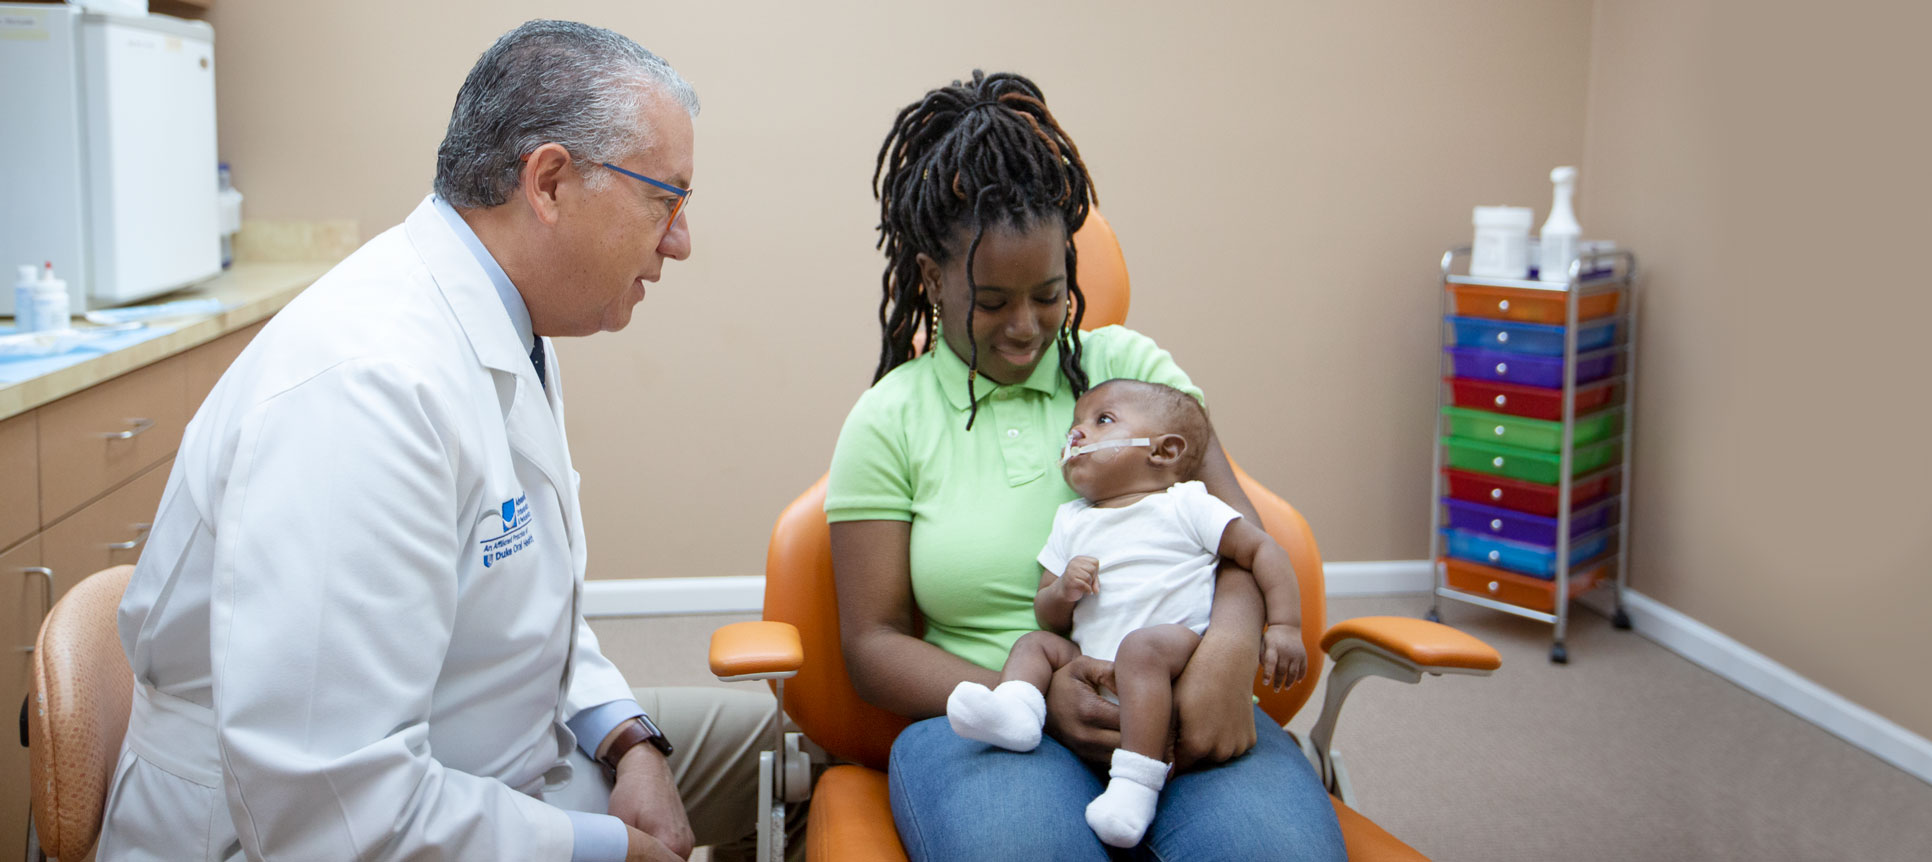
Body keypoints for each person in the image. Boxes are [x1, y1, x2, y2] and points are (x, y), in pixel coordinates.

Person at [102, 21, 776, 862]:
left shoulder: (503, 323)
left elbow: (533, 604)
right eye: (664, 200)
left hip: (502, 763)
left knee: (789, 750)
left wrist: (626, 736)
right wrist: (607, 851)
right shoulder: (365, 390)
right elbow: (338, 817)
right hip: (311, 832)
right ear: (552, 183)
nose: (679, 240)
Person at [826, 70, 1346, 860]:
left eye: (1050, 294)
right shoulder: (888, 419)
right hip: (1000, 729)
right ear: (932, 278)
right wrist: (1031, 696)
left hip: (1179, 698)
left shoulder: (1133, 374)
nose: (1027, 328)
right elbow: (873, 643)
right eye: (993, 302)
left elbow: (1235, 535)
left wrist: (1228, 654)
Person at [944, 379, 1309, 848]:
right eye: (1075, 425)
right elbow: (1047, 616)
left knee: (1141, 649)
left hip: (1175, 653)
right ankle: (1017, 713)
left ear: (1162, 451)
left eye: (1102, 421)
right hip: (1092, 665)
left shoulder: (1186, 505)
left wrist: (1283, 625)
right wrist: (1064, 590)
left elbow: (1261, 551)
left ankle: (1135, 785)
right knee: (1034, 646)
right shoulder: (1071, 519)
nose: (1076, 434)